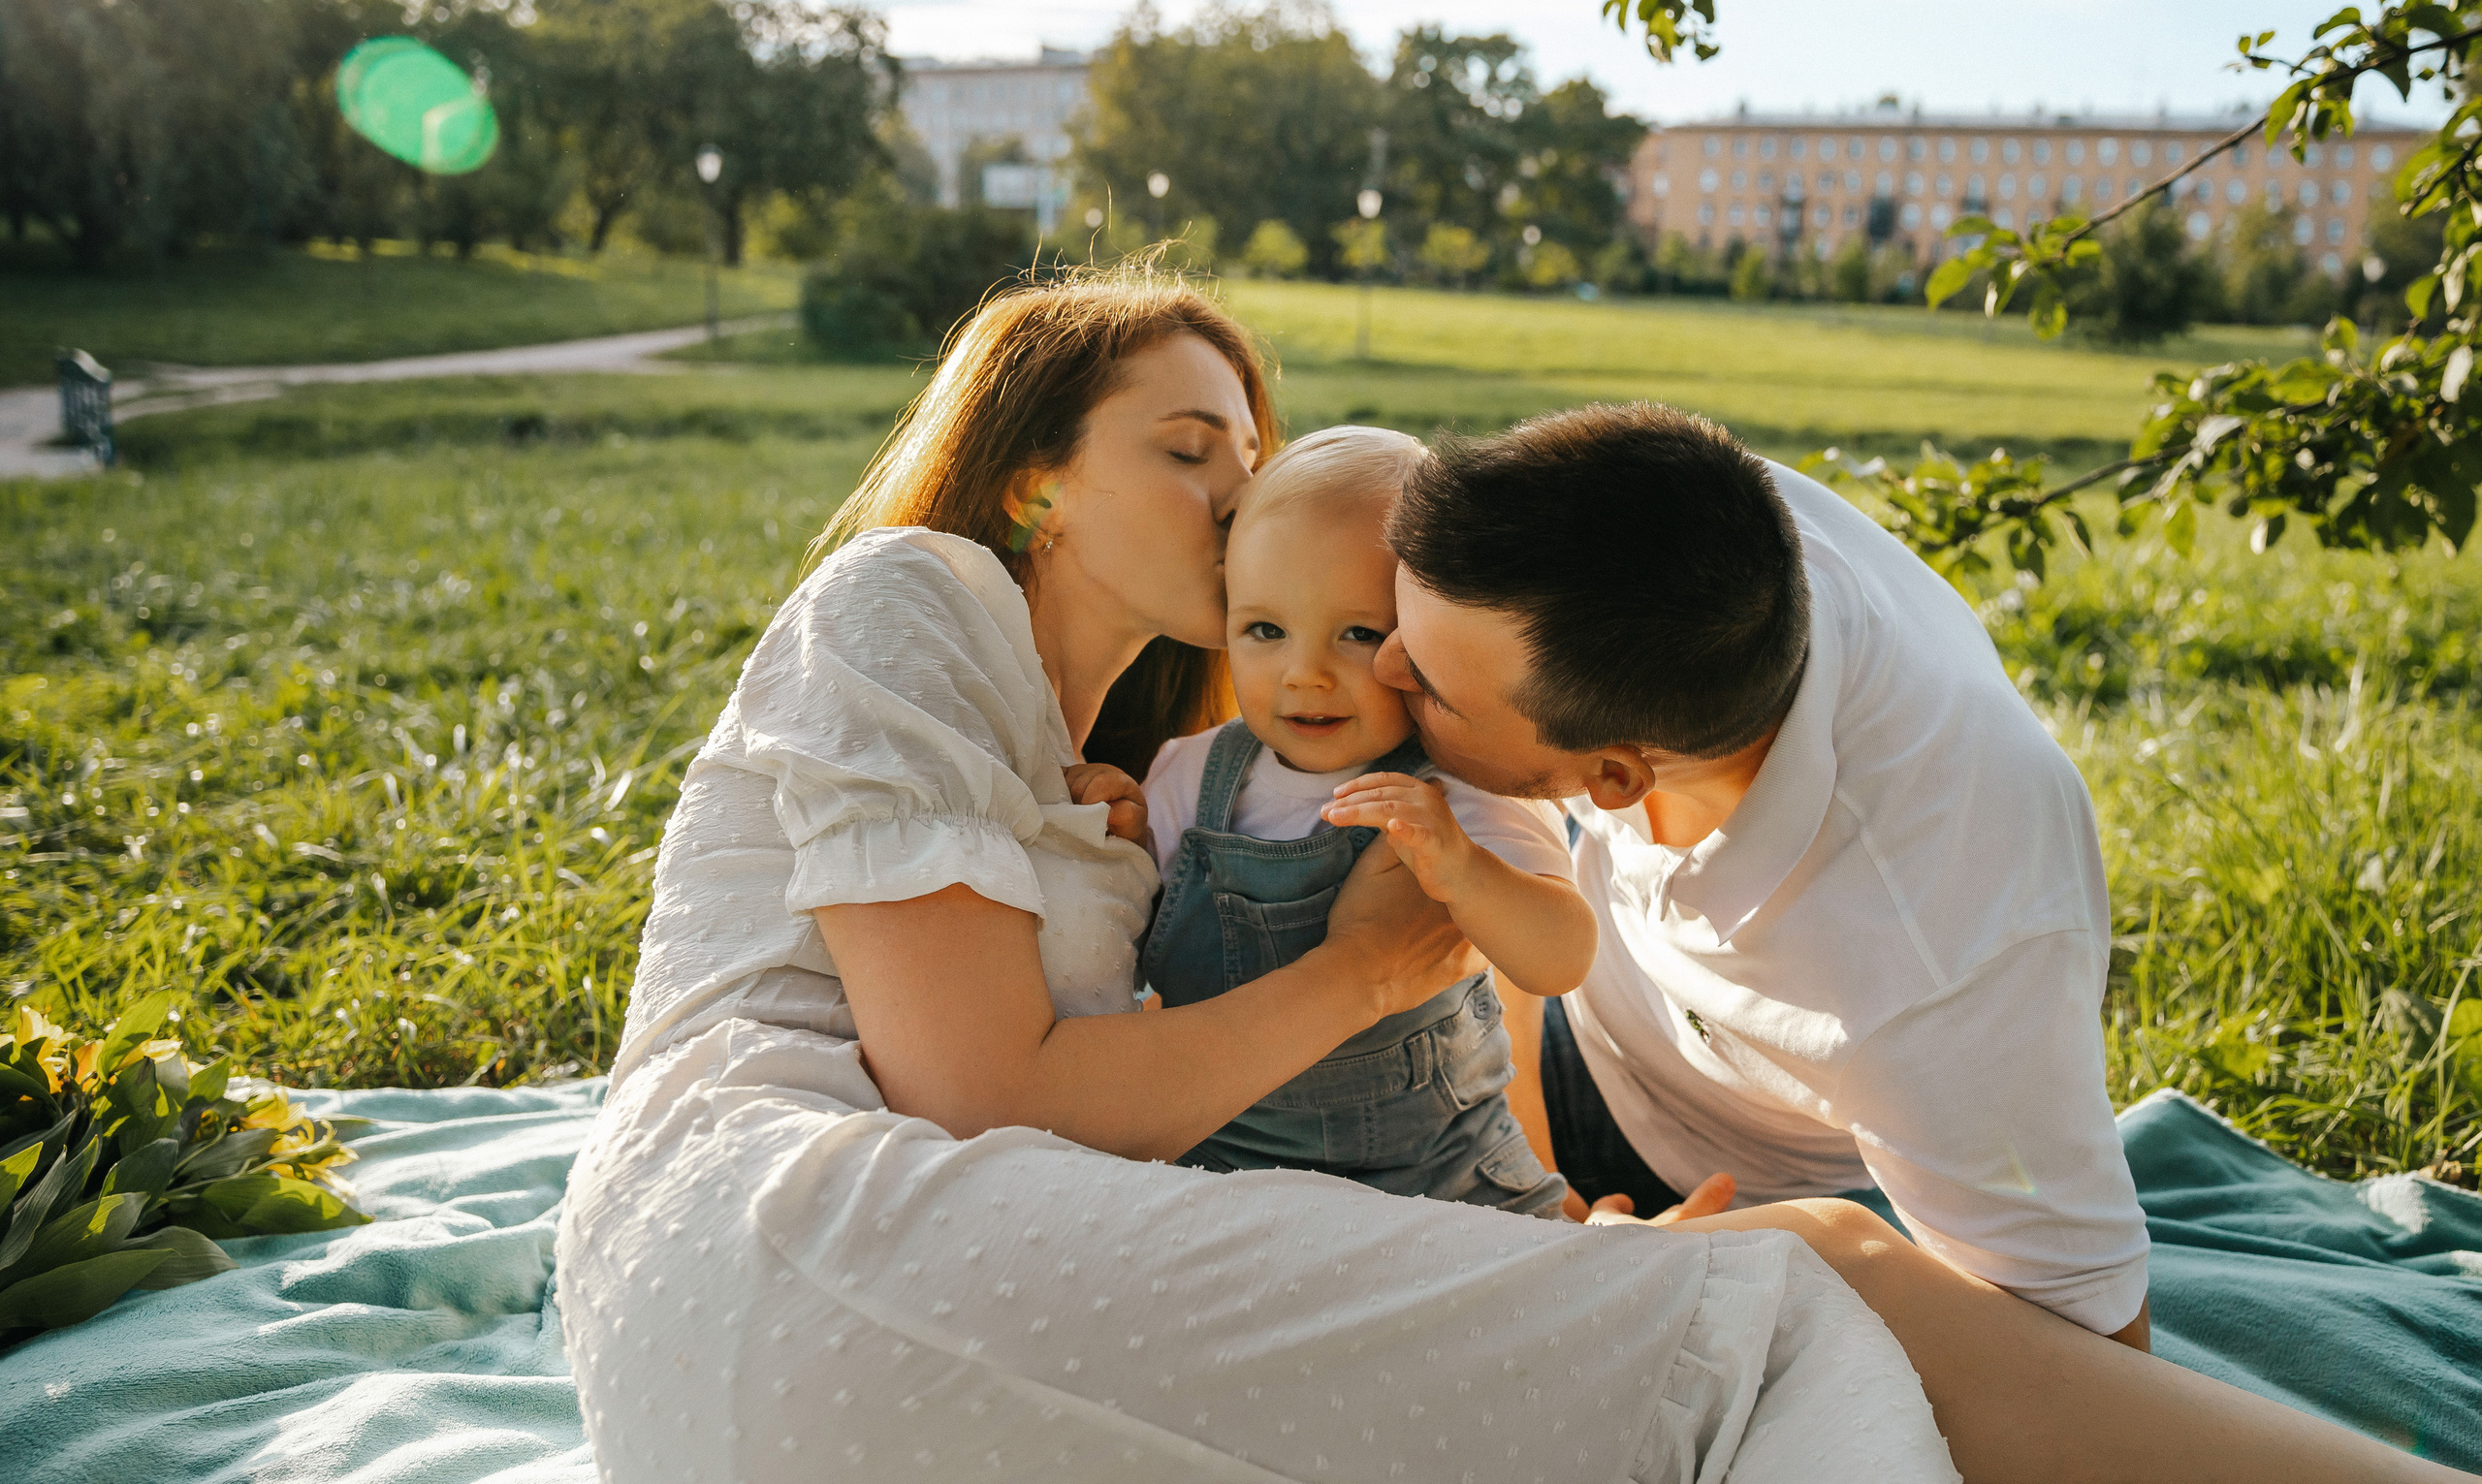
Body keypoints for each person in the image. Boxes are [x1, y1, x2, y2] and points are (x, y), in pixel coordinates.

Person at [557, 267, 2464, 1484]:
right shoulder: (917, 597)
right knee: (1784, 1305)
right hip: (795, 1243)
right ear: (1032, 481)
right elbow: (984, 1087)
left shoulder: (1121, 766)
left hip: (856, 1304)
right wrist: (1368, 975)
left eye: (1259, 457)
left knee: (1741, 1296)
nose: (1247, 501)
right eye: (1187, 451)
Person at [1376, 400, 2146, 1343]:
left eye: (1429, 684)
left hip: (1692, 1171)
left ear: (1613, 776)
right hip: (1575, 1002)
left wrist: (1642, 1268)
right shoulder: (1693, 526)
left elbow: (2090, 1341)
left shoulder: (1926, 964)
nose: (1380, 665)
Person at [1138, 425, 1593, 1216]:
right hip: (1226, 1172)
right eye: (1265, 630)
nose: (1305, 673)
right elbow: (1119, 955)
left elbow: (1562, 956)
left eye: (1358, 633)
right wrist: (1105, 831)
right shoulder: (1189, 776)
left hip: (1450, 1178)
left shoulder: (1461, 784)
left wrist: (1463, 870)